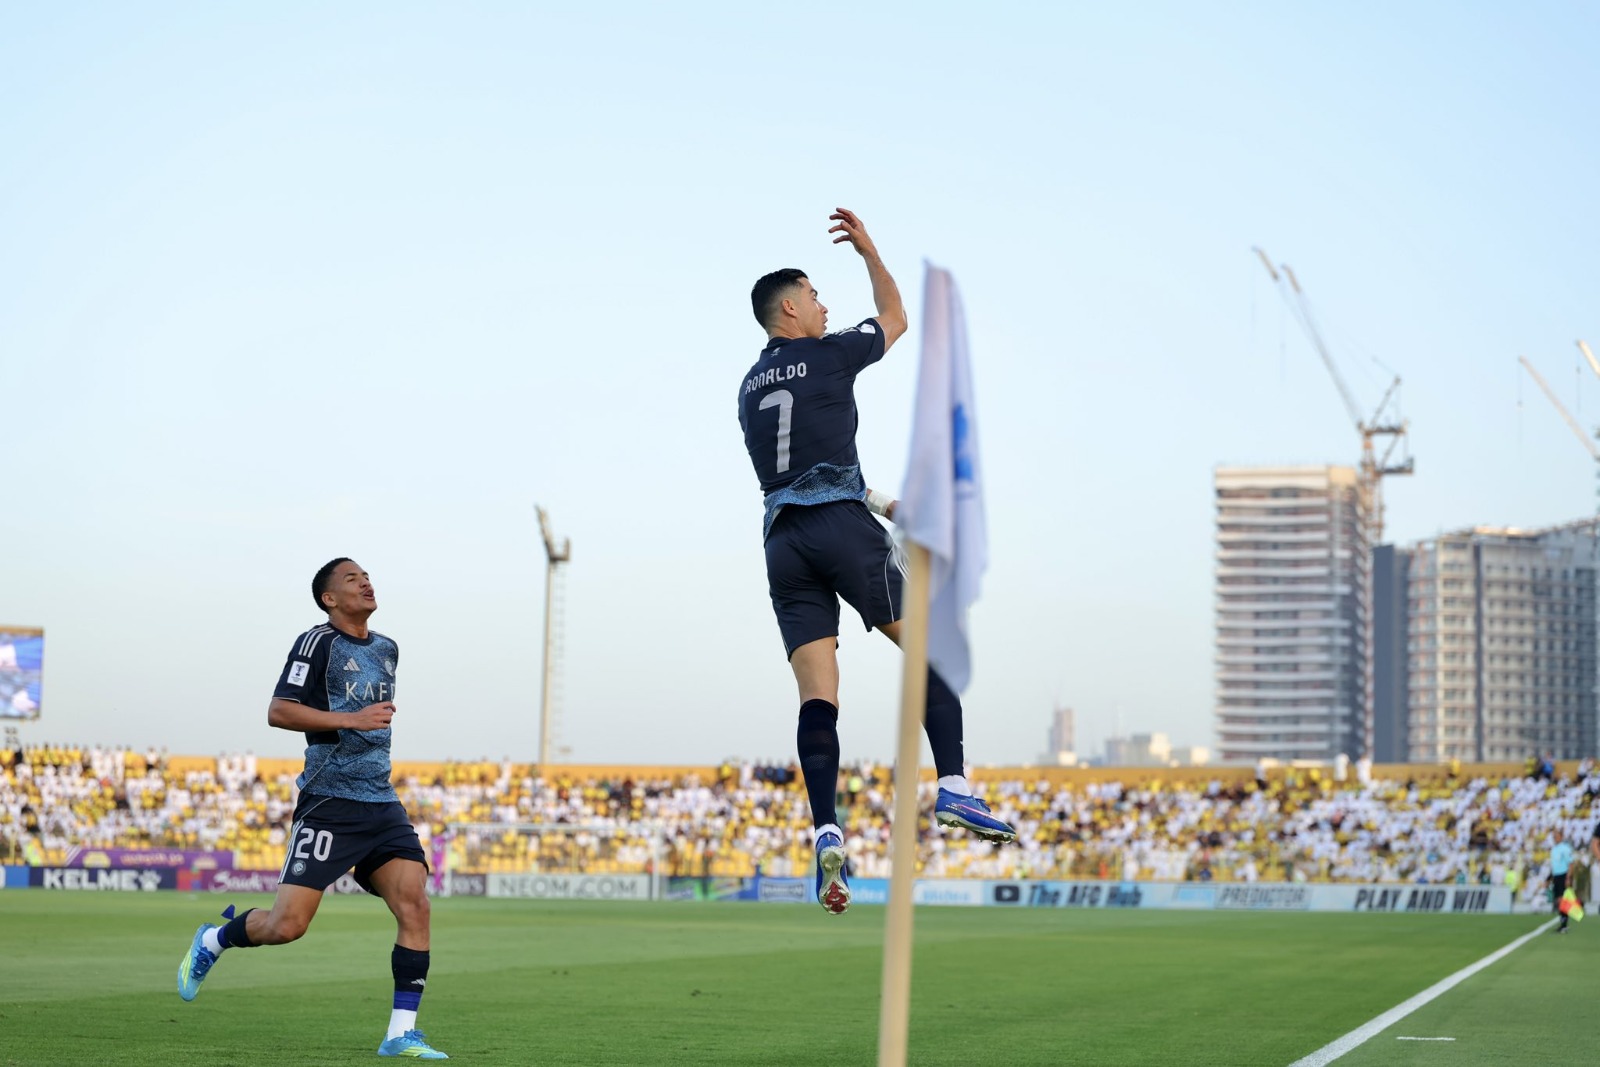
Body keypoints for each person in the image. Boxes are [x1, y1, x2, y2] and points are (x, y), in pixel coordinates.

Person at [738, 208, 1015, 917]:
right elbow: (894, 315)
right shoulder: (830, 354)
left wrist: (890, 504)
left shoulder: (746, 389)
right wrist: (869, 248)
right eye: (817, 296)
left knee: (817, 697)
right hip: (837, 528)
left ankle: (826, 825)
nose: (828, 308)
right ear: (791, 307)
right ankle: (954, 787)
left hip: (781, 542)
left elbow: (809, 467)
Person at [175, 558, 447, 1060]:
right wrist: (352, 719)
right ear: (329, 599)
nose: (365, 581)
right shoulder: (317, 642)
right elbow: (279, 711)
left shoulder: (388, 648)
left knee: (415, 904)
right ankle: (215, 938)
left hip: (381, 803)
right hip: (329, 803)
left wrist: (361, 724)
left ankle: (399, 1034)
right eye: (351, 578)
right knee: (287, 927)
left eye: (366, 575)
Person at [1551, 834, 1575, 934]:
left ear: (1561, 837)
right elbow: (1554, 865)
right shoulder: (1553, 849)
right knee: (1558, 900)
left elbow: (1571, 864)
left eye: (1556, 836)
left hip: (1563, 875)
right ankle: (1563, 923)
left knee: (1562, 900)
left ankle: (1564, 925)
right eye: (1554, 837)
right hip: (1556, 876)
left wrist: (1568, 877)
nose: (1555, 838)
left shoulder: (1565, 848)